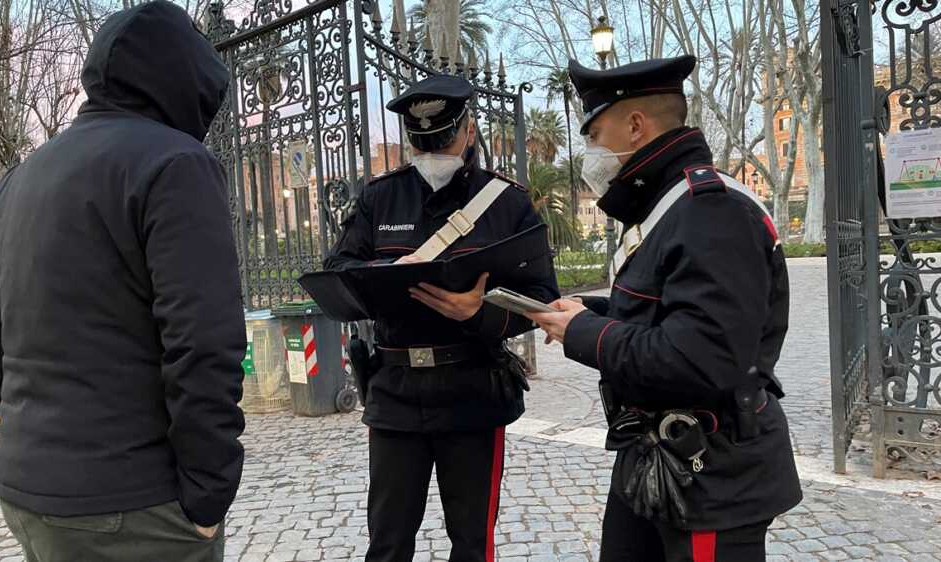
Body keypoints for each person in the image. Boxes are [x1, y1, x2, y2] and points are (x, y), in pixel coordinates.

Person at [0, 3, 246, 561]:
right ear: (186, 81)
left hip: (32, 491)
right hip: (135, 504)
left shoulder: (28, 173)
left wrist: (27, 417)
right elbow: (203, 339)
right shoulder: (176, 163)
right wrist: (209, 493)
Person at [527, 56, 802, 561]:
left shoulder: (711, 211)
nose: (589, 152)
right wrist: (589, 311)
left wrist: (585, 333)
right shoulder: (669, 204)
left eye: (593, 135)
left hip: (710, 476)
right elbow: (668, 307)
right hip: (655, 457)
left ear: (635, 126)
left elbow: (701, 357)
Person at [324, 75, 560, 562]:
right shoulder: (379, 198)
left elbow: (542, 298)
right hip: (396, 391)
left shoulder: (507, 204)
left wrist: (481, 311)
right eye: (422, 141)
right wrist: (384, 273)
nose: (433, 150)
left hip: (472, 390)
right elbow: (337, 273)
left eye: (443, 138)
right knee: (387, 544)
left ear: (468, 131)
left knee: (473, 544)